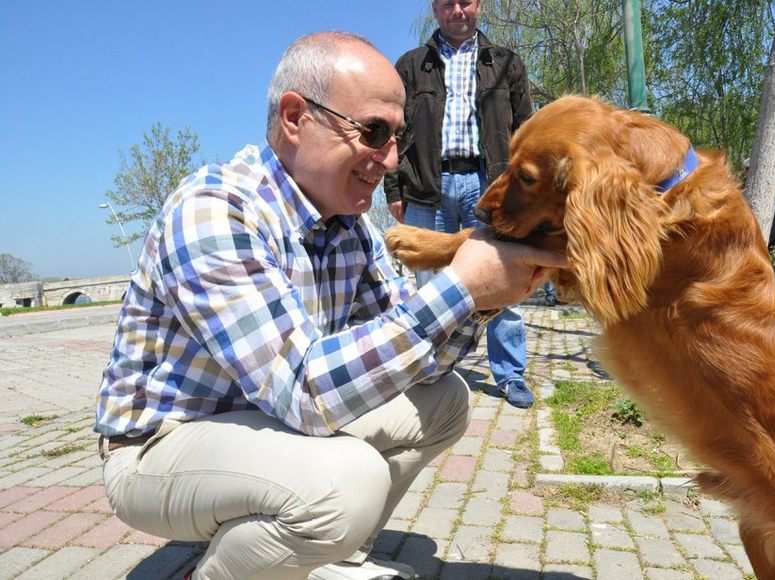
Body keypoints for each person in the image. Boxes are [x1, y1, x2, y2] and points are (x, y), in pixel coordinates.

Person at [94, 32, 565, 580]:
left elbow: (423, 357)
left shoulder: (350, 225)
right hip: (160, 447)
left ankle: (325, 558)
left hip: (267, 421)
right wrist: (458, 286)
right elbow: (307, 393)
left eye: (399, 136)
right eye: (374, 132)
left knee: (444, 399)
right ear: (295, 117)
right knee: (347, 481)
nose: (391, 159)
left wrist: (483, 300)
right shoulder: (215, 212)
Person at [384, 0, 536, 408]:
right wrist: (393, 189)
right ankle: (428, 370)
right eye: (447, 2)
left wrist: (523, 195)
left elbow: (526, 131)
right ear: (435, 8)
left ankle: (510, 373)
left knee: (505, 276)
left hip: (490, 187)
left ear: (479, 6)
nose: (457, 10)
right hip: (425, 185)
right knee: (428, 286)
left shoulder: (504, 62)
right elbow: (392, 133)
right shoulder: (412, 65)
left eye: (464, 1)